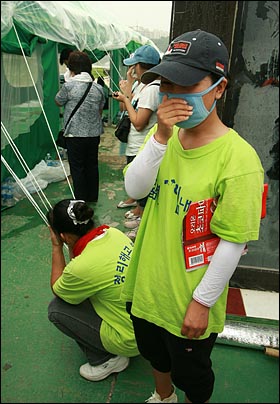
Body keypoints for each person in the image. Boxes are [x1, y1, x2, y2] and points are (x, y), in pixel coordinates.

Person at [121, 29, 264, 403]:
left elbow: (233, 241)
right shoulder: (167, 138)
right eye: (166, 83)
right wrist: (160, 136)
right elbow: (134, 189)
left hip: (188, 296)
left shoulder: (239, 161)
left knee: (192, 374)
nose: (172, 95)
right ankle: (163, 396)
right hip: (146, 285)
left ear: (218, 88)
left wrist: (202, 303)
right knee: (155, 355)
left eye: (186, 84)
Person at [47, 199, 139, 381]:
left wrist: (57, 246)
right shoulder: (113, 233)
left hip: (130, 339)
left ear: (63, 236)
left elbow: (58, 289)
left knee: (56, 309)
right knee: (81, 291)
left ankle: (107, 359)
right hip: (149, 327)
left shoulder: (82, 267)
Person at [113, 45, 161, 239]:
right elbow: (131, 106)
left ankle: (142, 224)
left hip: (141, 145)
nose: (132, 70)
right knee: (138, 183)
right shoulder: (143, 85)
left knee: (143, 185)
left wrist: (125, 99)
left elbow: (139, 122)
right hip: (136, 144)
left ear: (141, 66)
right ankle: (140, 213)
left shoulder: (152, 89)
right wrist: (129, 86)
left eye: (134, 66)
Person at [55, 51, 105, 203]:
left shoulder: (69, 87)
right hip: (93, 134)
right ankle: (92, 197)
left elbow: (58, 101)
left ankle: (80, 201)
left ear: (71, 68)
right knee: (92, 165)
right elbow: (100, 109)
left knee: (77, 168)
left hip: (75, 135)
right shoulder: (98, 88)